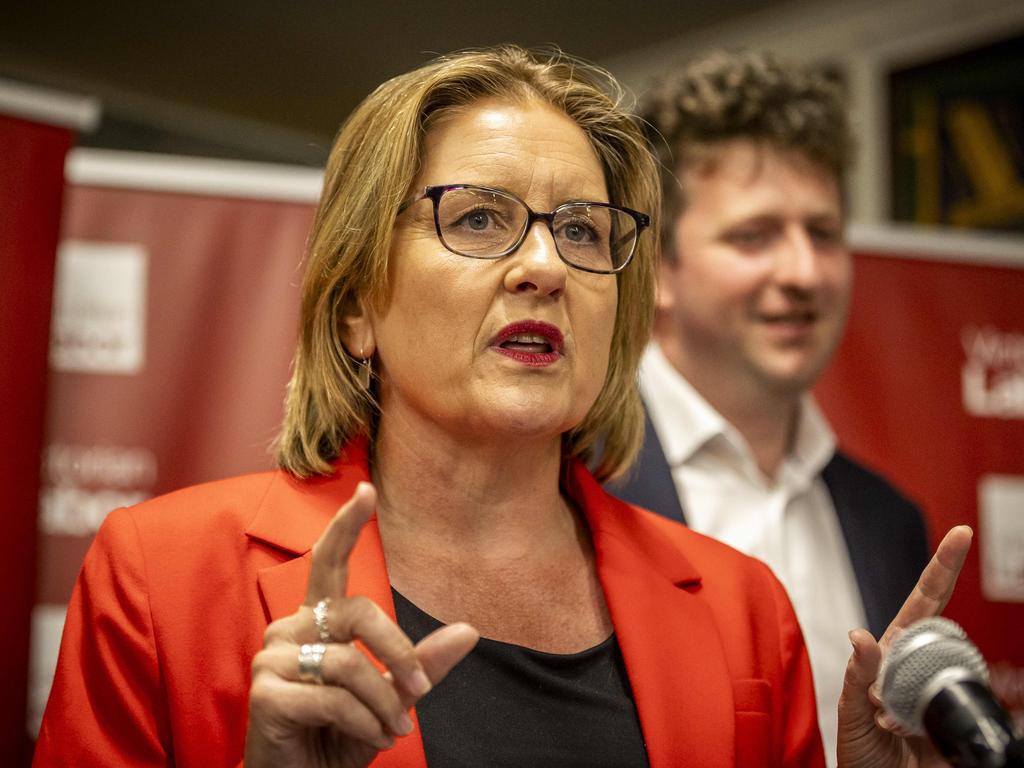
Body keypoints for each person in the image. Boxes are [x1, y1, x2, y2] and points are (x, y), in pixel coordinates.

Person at [33, 45, 968, 768]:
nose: (545, 266)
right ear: (357, 302)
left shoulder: (741, 608)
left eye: (581, 230)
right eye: (479, 217)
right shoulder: (161, 579)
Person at [610, 50, 932, 764]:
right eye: (753, 236)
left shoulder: (889, 522)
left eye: (822, 233)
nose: (803, 273)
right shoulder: (567, 480)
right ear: (659, 269)